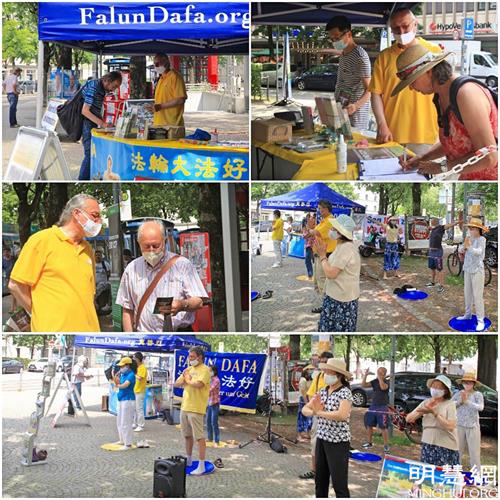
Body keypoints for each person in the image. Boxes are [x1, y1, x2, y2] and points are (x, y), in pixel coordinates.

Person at [395, 45, 497, 180]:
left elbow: (489, 157)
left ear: (429, 71)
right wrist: (422, 158)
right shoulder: (440, 96)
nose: (411, 88)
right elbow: (455, 141)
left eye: (412, 81)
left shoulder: (465, 95)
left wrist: (442, 167)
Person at [8, 194, 101, 332]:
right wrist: (39, 313)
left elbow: (89, 295)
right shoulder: (41, 240)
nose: (99, 221)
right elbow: (16, 285)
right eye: (95, 215)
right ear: (76, 213)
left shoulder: (88, 249)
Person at [369, 8, 441, 155]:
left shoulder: (433, 51)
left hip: (424, 133)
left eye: (405, 26)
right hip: (391, 132)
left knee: (422, 176)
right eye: (396, 28)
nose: (401, 32)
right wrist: (382, 124)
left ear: (415, 24)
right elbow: (375, 94)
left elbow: (443, 91)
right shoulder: (384, 57)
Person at [116, 219, 207, 332]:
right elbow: (127, 309)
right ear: (139, 244)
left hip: (178, 335)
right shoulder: (131, 269)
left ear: (165, 242)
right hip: (145, 337)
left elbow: (199, 301)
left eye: (156, 245)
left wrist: (182, 305)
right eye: (146, 246)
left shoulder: (182, 265)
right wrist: (130, 340)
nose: (151, 250)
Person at [302, 358, 353, 498]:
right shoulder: (322, 391)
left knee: (339, 483)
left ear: (338, 375)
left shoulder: (345, 392)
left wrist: (320, 413)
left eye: (328, 372)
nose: (325, 375)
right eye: (324, 371)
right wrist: (314, 411)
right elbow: (306, 409)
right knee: (320, 479)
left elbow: (342, 415)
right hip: (322, 439)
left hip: (338, 442)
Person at [314, 214, 361, 332]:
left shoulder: (346, 248)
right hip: (335, 297)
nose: (331, 230)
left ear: (341, 232)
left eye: (334, 229)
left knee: (335, 329)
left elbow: (331, 273)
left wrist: (322, 256)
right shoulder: (340, 246)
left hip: (341, 302)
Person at [326, 16, 371, 129]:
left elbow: (370, 90)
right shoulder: (344, 54)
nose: (334, 42)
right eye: (332, 39)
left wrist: (355, 106)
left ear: (349, 34)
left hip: (355, 117)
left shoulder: (360, 57)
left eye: (337, 38)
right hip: (341, 111)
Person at [406, 374, 459, 466]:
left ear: (445, 390)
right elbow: (409, 418)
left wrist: (435, 413)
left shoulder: (450, 404)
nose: (435, 389)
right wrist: (423, 411)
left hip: (445, 445)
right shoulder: (426, 402)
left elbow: (451, 426)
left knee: (443, 476)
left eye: (439, 387)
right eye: (433, 386)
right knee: (428, 475)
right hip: (428, 443)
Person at [173, 347, 211, 475]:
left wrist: (188, 379)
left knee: (199, 437)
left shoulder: (205, 370)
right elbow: (177, 383)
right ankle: (188, 460)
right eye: (189, 357)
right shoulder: (188, 370)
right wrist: (184, 377)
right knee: (187, 435)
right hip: (185, 406)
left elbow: (199, 384)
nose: (190, 359)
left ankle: (201, 465)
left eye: (192, 357)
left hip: (196, 408)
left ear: (200, 357)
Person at [79, 71, 123, 180]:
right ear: (108, 80)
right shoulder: (94, 86)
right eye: (115, 86)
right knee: (89, 154)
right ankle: (81, 180)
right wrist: (103, 124)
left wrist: (103, 123)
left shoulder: (102, 89)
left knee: (93, 153)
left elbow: (95, 109)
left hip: (93, 122)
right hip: (86, 122)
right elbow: (85, 111)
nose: (115, 89)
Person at [299, 351, 333, 480]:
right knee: (314, 443)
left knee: (331, 445)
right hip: (318, 416)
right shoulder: (318, 376)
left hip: (332, 417)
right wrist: (310, 407)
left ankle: (329, 472)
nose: (322, 364)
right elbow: (310, 394)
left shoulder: (338, 378)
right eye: (321, 362)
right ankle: (314, 470)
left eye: (325, 362)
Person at [457, 218, 487, 331]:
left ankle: (480, 320)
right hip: (468, 269)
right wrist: (463, 248)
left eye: (472, 228)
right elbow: (461, 249)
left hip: (477, 270)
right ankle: (468, 314)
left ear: (478, 229)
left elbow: (478, 252)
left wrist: (468, 246)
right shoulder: (468, 238)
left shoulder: (482, 239)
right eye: (469, 228)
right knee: (467, 293)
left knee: (477, 296)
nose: (470, 230)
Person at [148, 53, 188, 138]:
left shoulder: (175, 77)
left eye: (157, 64)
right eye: (154, 64)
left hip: (172, 126)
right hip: (159, 126)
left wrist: (161, 106)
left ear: (166, 62)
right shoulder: (161, 79)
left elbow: (180, 99)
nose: (156, 66)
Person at [452, 372, 484, 470]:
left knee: (474, 451)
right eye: (465, 382)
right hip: (459, 425)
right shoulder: (458, 393)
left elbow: (481, 407)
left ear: (473, 384)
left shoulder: (478, 394)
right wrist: (460, 402)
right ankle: (456, 471)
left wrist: (468, 402)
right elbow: (451, 405)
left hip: (473, 426)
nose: (467, 384)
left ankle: (476, 473)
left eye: (469, 383)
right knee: (458, 450)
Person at [311, 201, 337, 314]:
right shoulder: (324, 220)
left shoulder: (330, 220)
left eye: (321, 209)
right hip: (319, 254)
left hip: (325, 255)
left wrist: (310, 228)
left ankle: (328, 307)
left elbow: (316, 232)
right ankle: (326, 305)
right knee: (318, 280)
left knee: (323, 281)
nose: (319, 211)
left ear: (327, 209)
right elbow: (313, 232)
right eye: (319, 209)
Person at [361, 367, 390, 453]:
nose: (378, 374)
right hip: (373, 406)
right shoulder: (374, 381)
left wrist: (380, 378)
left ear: (384, 374)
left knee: (383, 427)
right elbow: (364, 385)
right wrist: (365, 375)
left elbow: (383, 388)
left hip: (382, 407)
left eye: (381, 373)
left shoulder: (386, 381)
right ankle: (369, 442)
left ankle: (386, 445)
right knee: (369, 424)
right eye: (378, 372)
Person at [426, 218, 459, 293]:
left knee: (439, 269)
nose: (431, 221)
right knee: (432, 268)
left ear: (435, 221)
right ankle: (432, 282)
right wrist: (428, 230)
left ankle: (441, 286)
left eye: (432, 220)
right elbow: (427, 234)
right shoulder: (432, 229)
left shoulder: (441, 228)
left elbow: (449, 225)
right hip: (431, 251)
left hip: (438, 251)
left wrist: (457, 222)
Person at [112, 357, 136, 451]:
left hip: (128, 400)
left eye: (122, 366)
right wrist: (116, 377)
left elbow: (125, 385)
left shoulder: (131, 375)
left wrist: (117, 385)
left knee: (126, 422)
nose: (121, 368)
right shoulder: (122, 374)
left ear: (127, 365)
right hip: (121, 399)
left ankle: (128, 444)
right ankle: (122, 440)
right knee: (119, 421)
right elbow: (119, 381)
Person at [297, 365, 314, 441]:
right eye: (309, 370)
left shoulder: (304, 380)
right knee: (303, 416)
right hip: (303, 399)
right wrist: (306, 402)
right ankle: (301, 434)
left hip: (304, 399)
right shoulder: (303, 380)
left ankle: (305, 433)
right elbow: (303, 392)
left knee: (305, 417)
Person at [132, 352, 148, 432]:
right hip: (136, 390)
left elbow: (140, 378)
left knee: (139, 409)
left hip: (140, 391)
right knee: (135, 408)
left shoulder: (142, 368)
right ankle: (135, 423)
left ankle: (141, 425)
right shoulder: (138, 367)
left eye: (134, 358)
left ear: (138, 359)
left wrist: (134, 373)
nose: (133, 359)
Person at [206, 364, 221, 447]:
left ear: (214, 371)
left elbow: (210, 389)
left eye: (210, 370)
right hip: (209, 403)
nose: (209, 372)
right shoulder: (209, 379)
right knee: (208, 422)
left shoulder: (216, 380)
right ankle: (210, 438)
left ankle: (217, 440)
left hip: (215, 403)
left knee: (214, 422)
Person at [94, 248, 111, 314]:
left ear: (101, 256)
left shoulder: (105, 264)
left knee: (103, 285)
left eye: (99, 255)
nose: (98, 257)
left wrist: (106, 274)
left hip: (103, 283)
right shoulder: (92, 264)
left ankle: (94, 300)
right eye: (96, 255)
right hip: (94, 283)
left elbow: (109, 274)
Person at [2, 247, 17, 313]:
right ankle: (14, 307)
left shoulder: (13, 259)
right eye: (4, 252)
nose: (5, 253)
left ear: (9, 252)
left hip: (15, 278)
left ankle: (13, 308)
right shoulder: (2, 260)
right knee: (12, 293)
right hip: (8, 278)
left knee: (14, 292)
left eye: (6, 252)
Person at [303, 215, 316, 280]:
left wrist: (311, 231)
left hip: (315, 247)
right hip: (309, 246)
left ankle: (312, 274)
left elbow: (314, 234)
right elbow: (304, 236)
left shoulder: (316, 228)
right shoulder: (307, 229)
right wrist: (309, 231)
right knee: (308, 260)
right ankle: (310, 274)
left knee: (311, 260)